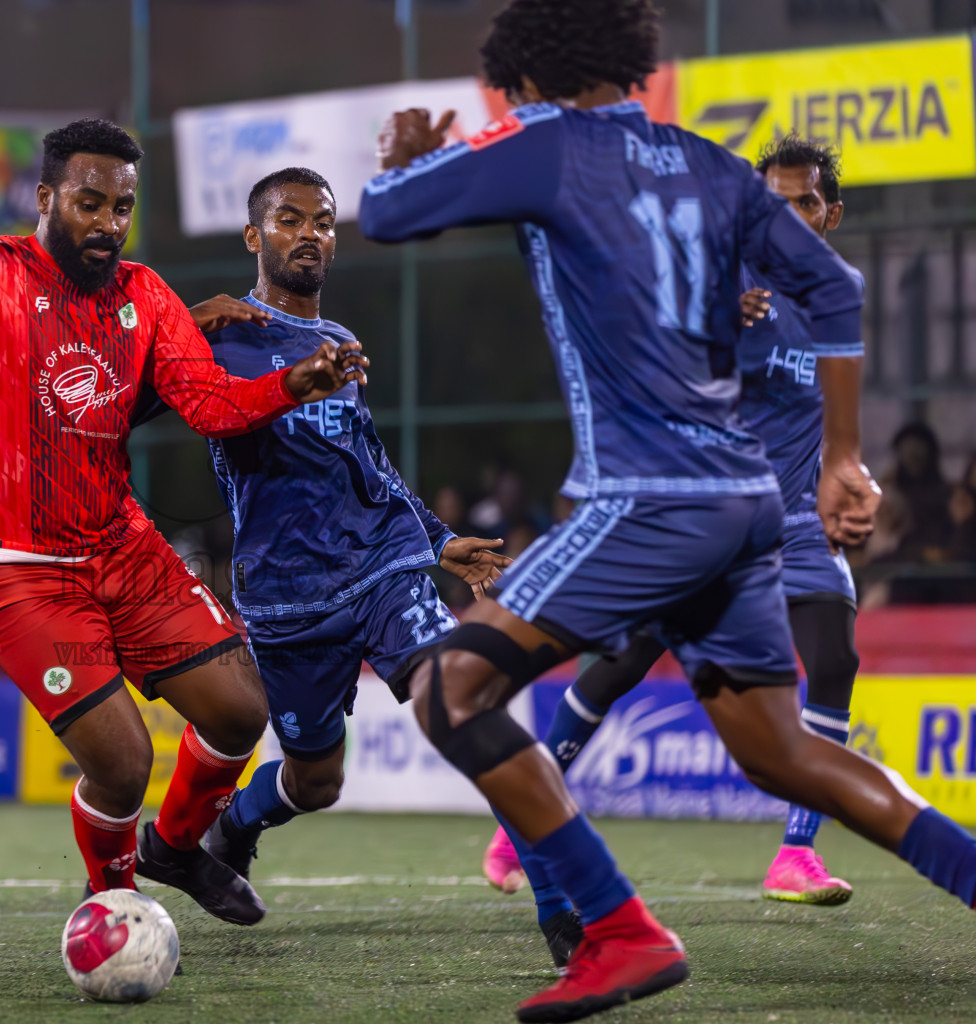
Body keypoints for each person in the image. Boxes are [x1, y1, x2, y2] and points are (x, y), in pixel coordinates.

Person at [359, 2, 976, 1021]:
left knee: (449, 689)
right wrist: (845, 458)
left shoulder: (539, 141)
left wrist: (401, 152)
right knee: (786, 753)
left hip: (646, 496)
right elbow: (838, 291)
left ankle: (618, 931)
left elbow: (383, 213)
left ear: (524, 77)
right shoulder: (714, 165)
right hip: (745, 503)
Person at [0, 118, 367, 926]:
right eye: (90, 203)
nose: (106, 223)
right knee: (122, 763)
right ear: (48, 197)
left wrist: (294, 382)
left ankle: (175, 847)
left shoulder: (145, 293)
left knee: (240, 709)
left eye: (121, 207)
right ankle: (112, 904)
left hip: (118, 544)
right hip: (12, 561)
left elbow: (209, 406)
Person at [483, 136, 871, 908]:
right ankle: (518, 824)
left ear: (830, 213)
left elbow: (838, 413)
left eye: (805, 203)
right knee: (622, 663)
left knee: (833, 660)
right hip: (702, 513)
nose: (788, 218)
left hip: (793, 519)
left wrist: (849, 473)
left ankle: (796, 854)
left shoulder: (840, 294)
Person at [166, 167, 511, 888]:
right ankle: (233, 827)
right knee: (317, 781)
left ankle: (563, 890)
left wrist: (440, 541)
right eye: (290, 220)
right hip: (286, 596)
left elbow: (369, 463)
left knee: (457, 697)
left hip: (379, 570)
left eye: (323, 221)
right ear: (254, 236)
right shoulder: (218, 336)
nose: (310, 234)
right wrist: (179, 324)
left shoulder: (339, 340)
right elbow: (124, 392)